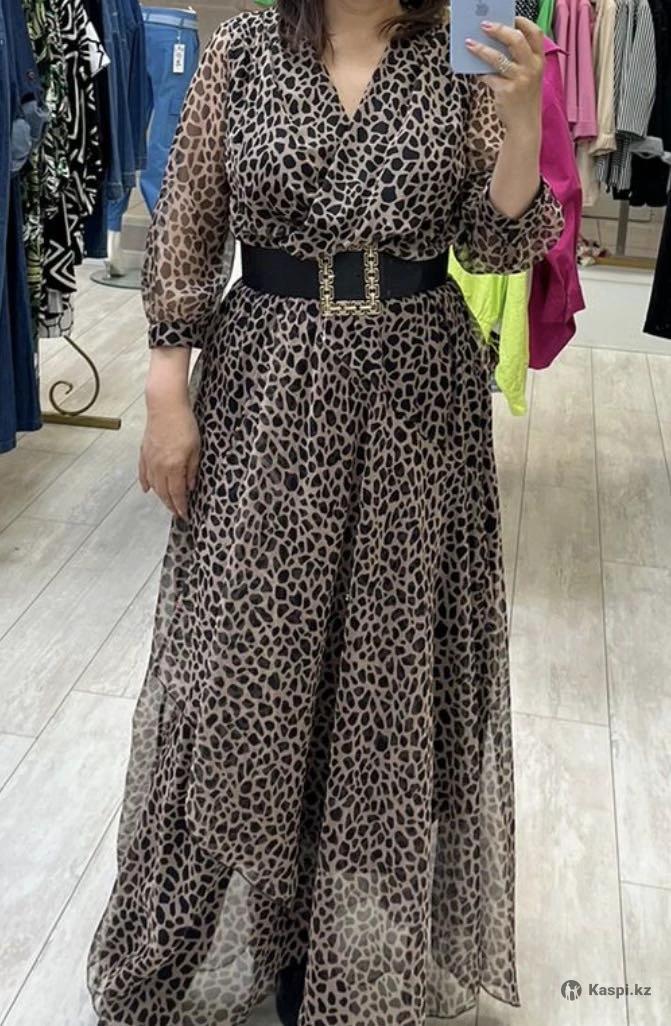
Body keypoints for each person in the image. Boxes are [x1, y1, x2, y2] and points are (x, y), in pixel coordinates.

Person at [86, 2, 564, 1024]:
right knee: (242, 661)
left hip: (416, 395)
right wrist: (165, 391)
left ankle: (334, 941)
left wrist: (523, 119)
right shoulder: (244, 53)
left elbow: (496, 245)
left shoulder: (462, 58)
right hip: (262, 386)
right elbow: (189, 221)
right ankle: (223, 917)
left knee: (384, 667)